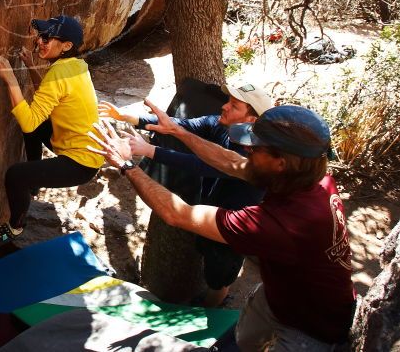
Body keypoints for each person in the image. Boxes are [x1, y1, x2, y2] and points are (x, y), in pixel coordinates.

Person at [89, 101, 356, 351]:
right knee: (239, 341)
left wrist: (127, 165)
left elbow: (178, 214)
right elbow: (232, 162)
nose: (247, 150)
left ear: (280, 163)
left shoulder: (281, 224)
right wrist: (178, 131)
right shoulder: (311, 178)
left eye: (256, 147)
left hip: (311, 327)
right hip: (278, 296)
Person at [99, 83, 273, 306]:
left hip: (233, 224)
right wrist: (128, 117)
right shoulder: (222, 125)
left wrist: (147, 150)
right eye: (228, 101)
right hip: (211, 209)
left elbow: (202, 165)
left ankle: (214, 306)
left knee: (219, 272)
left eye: (234, 106)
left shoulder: (254, 155)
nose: (225, 106)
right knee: (207, 253)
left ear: (251, 120)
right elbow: (182, 125)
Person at [0, 15, 104, 247]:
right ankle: (34, 182)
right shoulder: (76, 66)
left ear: (66, 46)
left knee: (15, 175)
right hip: (84, 148)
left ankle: (15, 228)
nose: (40, 41)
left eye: (47, 38)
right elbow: (51, 95)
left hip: (81, 163)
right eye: (40, 36)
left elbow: (28, 122)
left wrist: (11, 79)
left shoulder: (60, 72)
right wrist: (29, 66)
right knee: (36, 124)